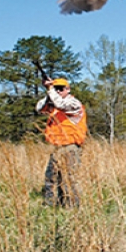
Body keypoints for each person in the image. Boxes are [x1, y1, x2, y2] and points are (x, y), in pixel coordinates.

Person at [35, 77, 87, 207]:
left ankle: (73, 206)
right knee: (51, 177)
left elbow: (60, 104)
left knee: (69, 178)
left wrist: (50, 89)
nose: (57, 91)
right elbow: (39, 108)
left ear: (68, 89)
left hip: (71, 147)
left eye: (60, 89)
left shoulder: (73, 103)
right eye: (55, 88)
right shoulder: (54, 106)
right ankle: (51, 204)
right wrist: (49, 92)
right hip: (58, 148)